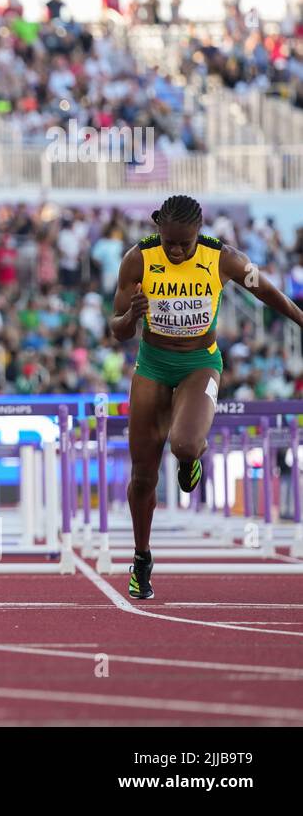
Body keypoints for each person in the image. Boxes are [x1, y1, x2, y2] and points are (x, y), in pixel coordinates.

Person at [109, 195, 303, 599]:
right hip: (152, 364)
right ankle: (141, 558)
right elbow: (118, 330)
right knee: (143, 475)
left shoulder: (223, 258)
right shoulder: (138, 259)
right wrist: (131, 317)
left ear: (200, 231)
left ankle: (189, 460)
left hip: (201, 362)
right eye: (170, 243)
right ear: (158, 229)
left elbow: (266, 291)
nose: (177, 251)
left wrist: (300, 318)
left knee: (184, 444)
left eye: (185, 243)